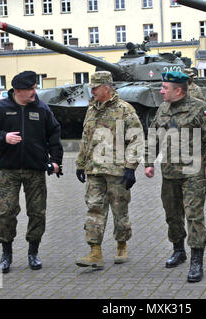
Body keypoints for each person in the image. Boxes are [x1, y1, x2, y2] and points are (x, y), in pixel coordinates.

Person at [0, 70, 63, 273]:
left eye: (35, 87)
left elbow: (54, 135)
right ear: (17, 91)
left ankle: (33, 252)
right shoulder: (1, 108)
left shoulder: (42, 109)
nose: (35, 91)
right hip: (9, 170)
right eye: (30, 89)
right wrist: (3, 137)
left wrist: (56, 162)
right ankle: (6, 253)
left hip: (35, 170)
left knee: (37, 212)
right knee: (7, 212)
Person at [144, 71, 206, 282]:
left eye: (164, 88)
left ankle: (197, 261)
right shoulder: (162, 109)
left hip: (193, 173)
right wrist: (149, 163)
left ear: (178, 90)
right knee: (172, 215)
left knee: (194, 216)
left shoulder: (199, 108)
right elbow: (153, 137)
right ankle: (178, 250)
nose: (161, 91)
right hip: (169, 173)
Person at [75, 71, 143, 269]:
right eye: (91, 87)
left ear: (107, 87)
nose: (92, 91)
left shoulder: (125, 110)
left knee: (119, 211)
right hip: (94, 170)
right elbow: (85, 138)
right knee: (94, 208)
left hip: (117, 171)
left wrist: (131, 167)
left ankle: (122, 245)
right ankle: (95, 252)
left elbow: (136, 138)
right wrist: (80, 163)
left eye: (95, 87)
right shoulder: (91, 110)